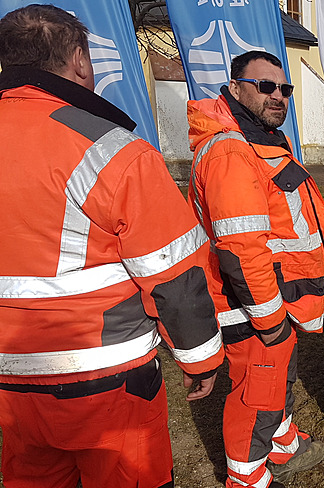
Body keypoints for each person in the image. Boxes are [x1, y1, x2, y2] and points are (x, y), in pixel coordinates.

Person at [0, 5, 224, 487]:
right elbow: (174, 275)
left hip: (10, 385)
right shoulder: (114, 151)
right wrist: (201, 359)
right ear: (80, 59)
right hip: (106, 382)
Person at [187, 50, 324, 488]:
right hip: (251, 307)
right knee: (256, 393)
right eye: (265, 86)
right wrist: (271, 320)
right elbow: (240, 249)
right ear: (235, 88)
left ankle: (282, 442)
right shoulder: (231, 151)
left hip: (273, 298)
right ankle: (247, 476)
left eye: (284, 88)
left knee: (276, 383)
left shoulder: (260, 139)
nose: (278, 96)